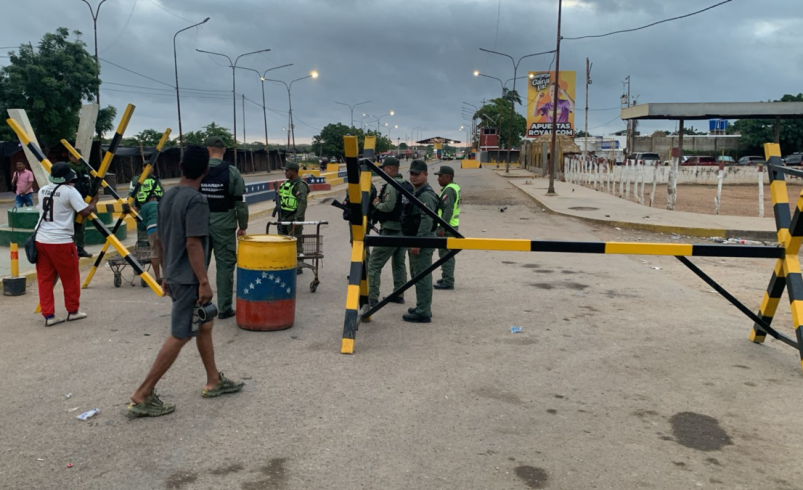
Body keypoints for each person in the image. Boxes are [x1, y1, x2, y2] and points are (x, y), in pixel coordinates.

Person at [128, 145, 244, 418]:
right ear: (205, 170)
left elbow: (162, 239)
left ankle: (214, 379)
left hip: (175, 274)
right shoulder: (196, 200)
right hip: (189, 279)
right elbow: (193, 243)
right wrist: (203, 281)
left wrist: (166, 274)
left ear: (180, 168)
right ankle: (142, 394)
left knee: (205, 324)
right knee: (180, 334)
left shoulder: (166, 198)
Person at [35, 162, 98, 327]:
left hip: (41, 239)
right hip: (61, 242)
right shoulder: (69, 192)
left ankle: (48, 315)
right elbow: (84, 212)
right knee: (70, 278)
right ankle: (73, 310)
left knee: (44, 279)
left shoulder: (43, 190)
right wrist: (94, 202)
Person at [200, 136, 248, 320]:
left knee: (198, 265)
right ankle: (224, 308)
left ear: (208, 149)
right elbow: (240, 203)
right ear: (224, 150)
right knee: (225, 267)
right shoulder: (233, 172)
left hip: (200, 224)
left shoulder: (198, 170)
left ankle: (199, 304)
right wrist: (242, 226)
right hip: (225, 226)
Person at [367, 157, 411, 307]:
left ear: (391, 169)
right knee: (399, 263)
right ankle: (399, 293)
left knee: (374, 263)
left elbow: (388, 207)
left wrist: (377, 203)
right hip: (403, 230)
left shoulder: (392, 185)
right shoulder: (406, 185)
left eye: (384, 169)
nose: (382, 172)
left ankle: (372, 297)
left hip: (391, 230)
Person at [401, 160, 438, 323]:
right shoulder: (418, 192)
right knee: (417, 274)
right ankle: (421, 306)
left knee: (422, 276)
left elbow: (427, 220)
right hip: (417, 239)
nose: (413, 177)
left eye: (417, 174)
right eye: (412, 173)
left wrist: (418, 243)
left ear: (425, 174)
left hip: (422, 241)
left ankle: (423, 312)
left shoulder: (426, 195)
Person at [277, 162, 309, 275]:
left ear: (293, 171)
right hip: (283, 217)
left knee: (296, 241)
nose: (285, 172)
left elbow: (302, 203)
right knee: (282, 241)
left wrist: (298, 219)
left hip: (293, 217)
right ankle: (285, 263)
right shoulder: (287, 184)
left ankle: (299, 266)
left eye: (287, 170)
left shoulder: (300, 185)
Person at [434, 166, 461, 291]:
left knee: (446, 254)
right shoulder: (454, 187)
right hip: (452, 226)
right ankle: (446, 276)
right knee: (447, 253)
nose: (438, 179)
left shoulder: (449, 190)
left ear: (448, 177)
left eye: (440, 176)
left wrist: (441, 227)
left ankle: (448, 280)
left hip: (448, 227)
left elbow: (447, 210)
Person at [67, 150, 93, 258]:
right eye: (74, 156)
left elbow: (89, 183)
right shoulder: (67, 169)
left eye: (79, 156)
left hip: (83, 201)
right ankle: (71, 250)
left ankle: (80, 249)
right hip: (72, 202)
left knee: (81, 227)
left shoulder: (85, 169)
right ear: (70, 157)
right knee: (73, 227)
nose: (77, 158)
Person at [129, 169, 165, 247]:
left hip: (155, 207)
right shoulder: (136, 180)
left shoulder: (156, 179)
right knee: (142, 228)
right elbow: (131, 193)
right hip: (141, 207)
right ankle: (143, 246)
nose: (149, 169)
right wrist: (132, 205)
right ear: (143, 168)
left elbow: (162, 192)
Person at [138, 195, 161, 283]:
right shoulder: (161, 204)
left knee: (155, 252)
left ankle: (158, 278)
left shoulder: (144, 207)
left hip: (152, 228)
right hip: (164, 227)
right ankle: (167, 277)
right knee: (165, 252)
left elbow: (143, 224)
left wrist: (140, 225)